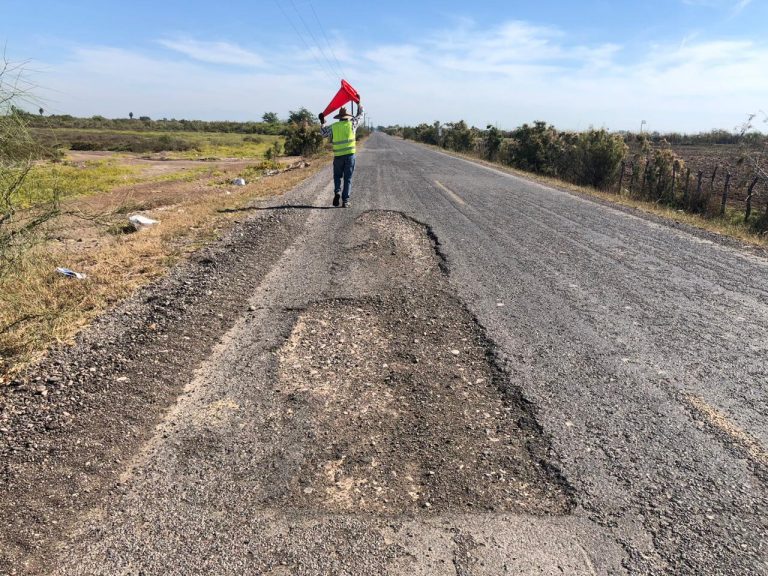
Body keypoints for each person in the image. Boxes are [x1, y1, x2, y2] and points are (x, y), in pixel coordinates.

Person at [319, 101, 364, 208]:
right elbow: (361, 115)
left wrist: (322, 122)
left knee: (337, 177)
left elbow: (323, 133)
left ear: (339, 117)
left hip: (338, 156)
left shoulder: (334, 126)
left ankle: (337, 191)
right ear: (348, 117)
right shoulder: (352, 123)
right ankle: (345, 201)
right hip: (350, 156)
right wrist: (358, 103)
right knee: (348, 178)